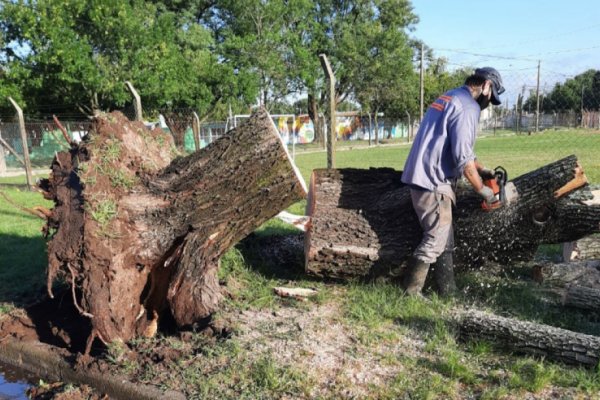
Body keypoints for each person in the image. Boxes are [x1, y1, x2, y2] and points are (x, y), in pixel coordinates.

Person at [401, 67, 505, 296]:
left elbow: (460, 147)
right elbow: (462, 158)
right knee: (435, 238)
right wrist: (482, 190)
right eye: (491, 96)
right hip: (433, 180)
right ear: (486, 85)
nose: (488, 102)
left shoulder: (450, 96)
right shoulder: (469, 107)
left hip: (422, 173)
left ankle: (448, 290)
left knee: (445, 238)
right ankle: (411, 292)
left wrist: (482, 169)